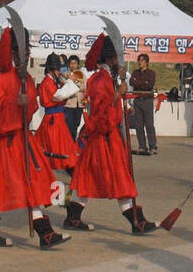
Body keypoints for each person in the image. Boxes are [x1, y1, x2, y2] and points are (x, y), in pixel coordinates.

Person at [0, 27, 70, 249]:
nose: (25, 55)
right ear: (12, 53)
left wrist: (26, 104)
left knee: (31, 182)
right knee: (2, 185)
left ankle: (43, 232)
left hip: (22, 139)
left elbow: (33, 105)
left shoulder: (24, 77)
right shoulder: (0, 78)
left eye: (27, 51)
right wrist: (15, 103)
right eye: (20, 51)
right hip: (5, 140)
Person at [69, 34, 155, 235]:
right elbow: (100, 115)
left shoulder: (106, 79)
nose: (119, 61)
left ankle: (72, 217)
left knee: (87, 178)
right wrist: (118, 95)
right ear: (109, 59)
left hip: (106, 137)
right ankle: (136, 221)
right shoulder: (101, 81)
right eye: (116, 58)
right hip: (104, 137)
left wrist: (118, 92)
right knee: (118, 177)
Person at [37, 53, 81, 178]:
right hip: (53, 120)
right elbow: (58, 96)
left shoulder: (53, 81)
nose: (59, 71)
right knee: (61, 149)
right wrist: (71, 84)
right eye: (57, 69)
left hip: (57, 119)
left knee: (61, 148)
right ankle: (73, 173)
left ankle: (72, 171)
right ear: (52, 70)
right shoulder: (47, 82)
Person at [128, 53, 158, 155]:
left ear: (146, 62)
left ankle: (153, 146)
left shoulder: (151, 73)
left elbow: (149, 85)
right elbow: (132, 82)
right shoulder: (135, 72)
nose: (140, 62)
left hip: (147, 100)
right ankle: (142, 146)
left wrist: (139, 83)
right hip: (137, 100)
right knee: (139, 125)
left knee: (149, 124)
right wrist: (142, 83)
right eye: (139, 60)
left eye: (142, 60)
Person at [62, 55, 85, 142]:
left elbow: (85, 87)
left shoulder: (82, 75)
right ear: (68, 64)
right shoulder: (65, 75)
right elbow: (65, 87)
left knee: (76, 124)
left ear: (78, 64)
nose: (73, 65)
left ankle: (73, 142)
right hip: (69, 104)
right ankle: (69, 143)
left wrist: (76, 86)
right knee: (69, 125)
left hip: (79, 104)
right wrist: (75, 85)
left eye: (74, 63)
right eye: (71, 63)